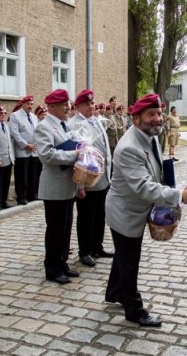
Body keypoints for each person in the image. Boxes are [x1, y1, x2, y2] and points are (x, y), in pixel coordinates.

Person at [104, 94, 187, 327]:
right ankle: (134, 310)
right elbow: (144, 187)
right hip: (125, 213)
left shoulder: (150, 138)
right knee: (130, 260)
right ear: (136, 118)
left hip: (134, 209)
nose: (158, 118)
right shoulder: (129, 147)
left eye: (159, 113)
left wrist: (175, 185)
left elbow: (157, 173)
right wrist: (179, 195)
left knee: (123, 255)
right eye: (152, 114)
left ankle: (115, 292)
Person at [35, 89, 83, 284]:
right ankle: (52, 268)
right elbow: (46, 155)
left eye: (68, 104)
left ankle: (62, 262)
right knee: (55, 230)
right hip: (54, 187)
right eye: (64, 104)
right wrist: (74, 155)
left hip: (67, 186)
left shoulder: (62, 126)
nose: (68, 107)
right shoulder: (44, 127)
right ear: (51, 107)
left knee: (65, 228)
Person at [67, 89, 114, 267]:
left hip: (102, 178)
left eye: (92, 103)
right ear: (78, 106)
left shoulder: (96, 120)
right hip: (87, 179)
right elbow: (77, 156)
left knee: (100, 214)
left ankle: (97, 245)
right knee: (86, 216)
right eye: (87, 104)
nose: (91, 106)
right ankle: (85, 250)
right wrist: (79, 186)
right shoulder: (74, 124)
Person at [9, 95, 39, 205]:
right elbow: (15, 133)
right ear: (22, 104)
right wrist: (25, 145)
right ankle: (22, 196)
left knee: (33, 174)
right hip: (22, 151)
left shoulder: (33, 116)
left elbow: (37, 132)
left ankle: (32, 194)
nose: (30, 106)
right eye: (28, 104)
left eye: (31, 104)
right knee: (22, 176)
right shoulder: (15, 116)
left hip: (34, 150)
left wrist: (35, 144)